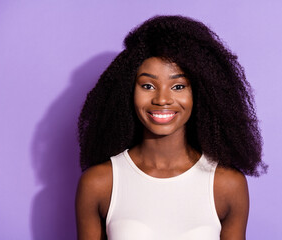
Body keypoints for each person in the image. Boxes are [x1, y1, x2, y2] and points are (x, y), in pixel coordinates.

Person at [75, 15, 267, 240]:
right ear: (128, 92)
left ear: (200, 94)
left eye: (178, 86)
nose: (162, 99)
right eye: (148, 85)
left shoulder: (227, 185)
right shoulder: (99, 184)